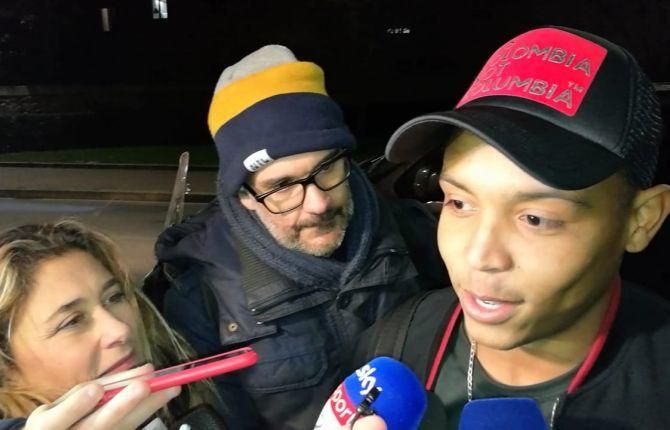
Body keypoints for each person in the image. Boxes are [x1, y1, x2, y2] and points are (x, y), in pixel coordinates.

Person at [353, 26, 670, 429]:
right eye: (459, 203)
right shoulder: (397, 340)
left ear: (642, 220)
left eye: (536, 219)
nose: (479, 256)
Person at [148, 45, 446, 429]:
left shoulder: (418, 235)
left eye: (327, 168)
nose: (318, 204)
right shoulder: (200, 300)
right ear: (243, 196)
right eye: (282, 186)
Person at [0, 221, 219, 429]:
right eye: (72, 321)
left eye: (114, 297)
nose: (120, 329)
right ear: (7, 367)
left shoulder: (184, 399)